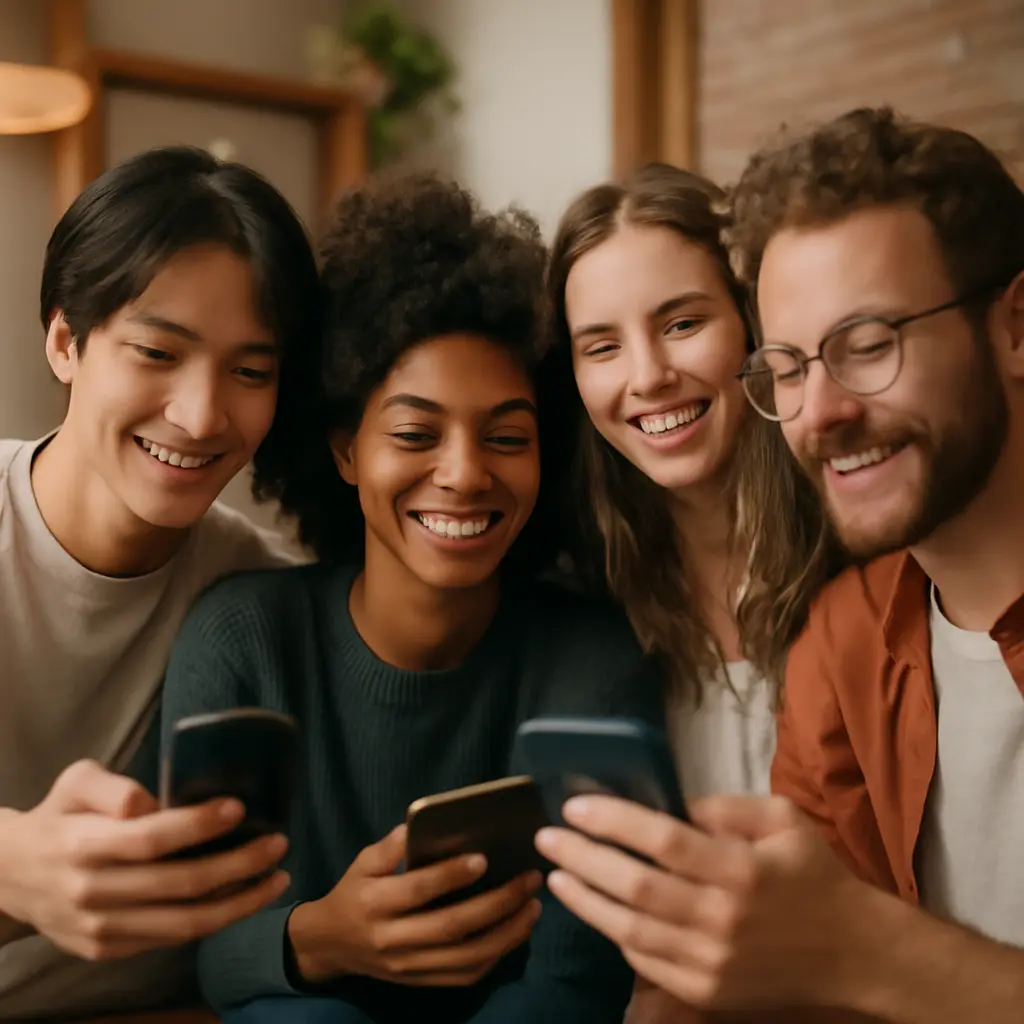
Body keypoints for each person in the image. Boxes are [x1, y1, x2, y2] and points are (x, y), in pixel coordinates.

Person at [534, 107, 1024, 1022]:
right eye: (792, 366)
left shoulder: (836, 589)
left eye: (870, 345)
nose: (822, 408)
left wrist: (858, 951)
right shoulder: (849, 637)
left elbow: (833, 949)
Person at [159, 173, 664, 1024]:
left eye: (507, 436)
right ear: (344, 450)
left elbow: (575, 982)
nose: (464, 474)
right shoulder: (243, 641)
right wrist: (323, 939)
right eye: (414, 433)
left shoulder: (594, 664)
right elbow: (209, 941)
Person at [0, 145, 320, 1020]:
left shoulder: (261, 589)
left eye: (250, 372)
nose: (203, 414)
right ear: (66, 341)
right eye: (156, 351)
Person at [547, 164, 839, 1021]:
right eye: (601, 346)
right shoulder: (578, 591)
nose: (647, 376)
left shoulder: (859, 549)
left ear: (751, 323)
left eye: (681, 324)